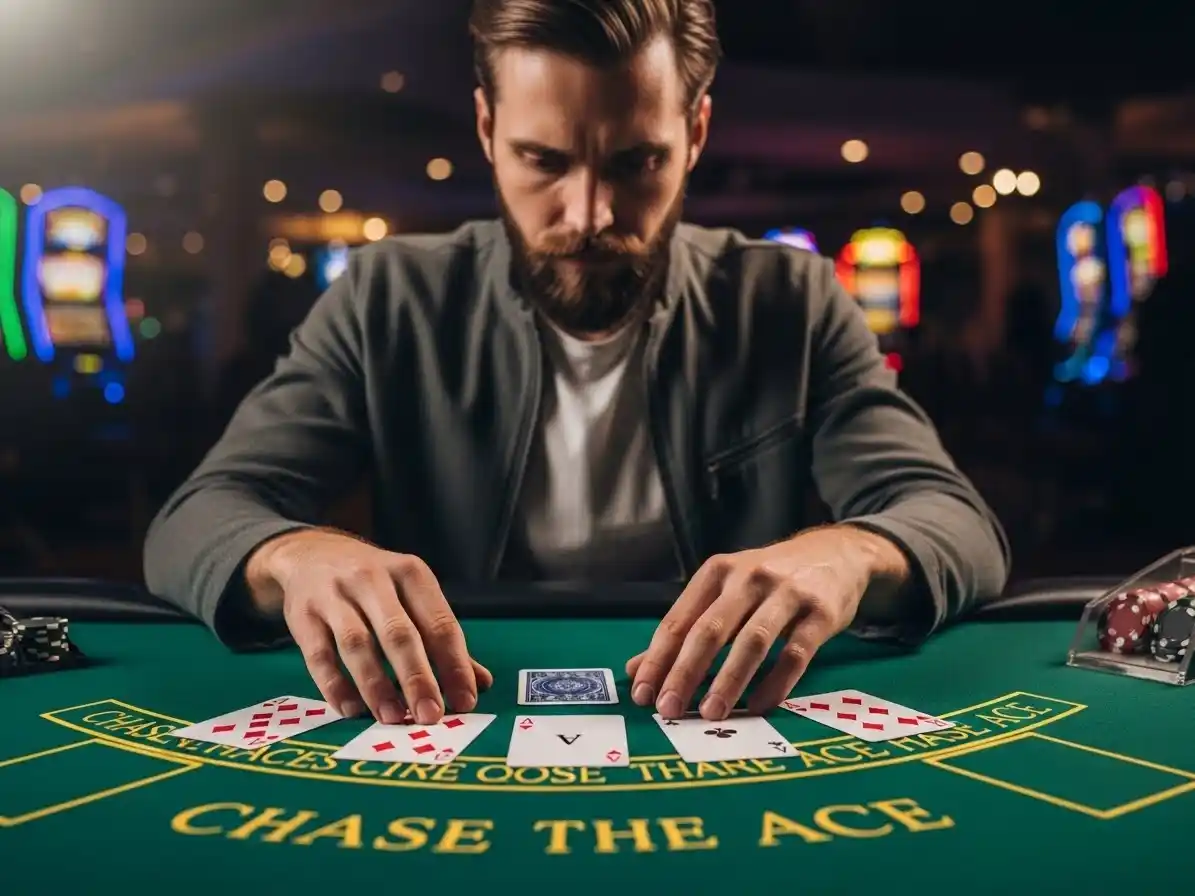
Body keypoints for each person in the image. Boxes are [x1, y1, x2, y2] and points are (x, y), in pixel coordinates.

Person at [144, 0, 1010, 729]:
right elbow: (200, 516)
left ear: (695, 130)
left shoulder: (789, 298)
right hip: (454, 710)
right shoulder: (387, 294)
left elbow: (952, 519)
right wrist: (294, 554)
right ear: (487, 128)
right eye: (542, 160)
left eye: (636, 163)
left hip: (706, 713)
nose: (589, 213)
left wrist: (847, 552)